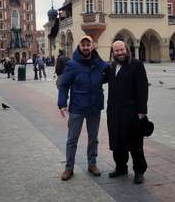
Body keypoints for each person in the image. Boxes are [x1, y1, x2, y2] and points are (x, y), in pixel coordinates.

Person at [57, 36, 109, 181]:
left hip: (94, 107)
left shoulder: (100, 63)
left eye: (88, 44)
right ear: (79, 46)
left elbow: (112, 70)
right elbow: (64, 85)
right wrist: (62, 104)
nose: (86, 47)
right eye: (83, 45)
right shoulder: (72, 64)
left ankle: (92, 164)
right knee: (72, 139)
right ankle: (69, 167)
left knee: (93, 138)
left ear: (93, 46)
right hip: (77, 107)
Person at [106, 40, 149, 184]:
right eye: (116, 51)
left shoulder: (136, 65)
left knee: (135, 142)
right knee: (117, 141)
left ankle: (139, 171)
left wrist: (142, 112)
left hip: (132, 112)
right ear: (113, 53)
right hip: (114, 111)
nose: (120, 53)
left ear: (127, 49)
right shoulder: (111, 67)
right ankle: (121, 167)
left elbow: (143, 90)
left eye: (122, 50)